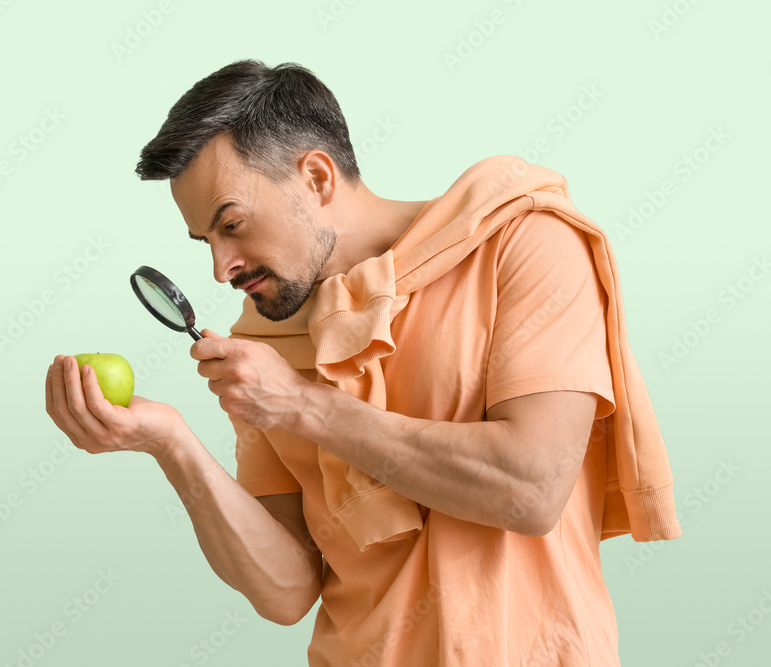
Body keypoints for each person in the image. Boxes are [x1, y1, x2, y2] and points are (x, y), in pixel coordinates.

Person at [45, 59, 680, 666]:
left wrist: (302, 405)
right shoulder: (263, 346)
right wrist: (174, 446)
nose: (221, 268)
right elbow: (287, 590)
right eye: (206, 242)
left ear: (317, 178)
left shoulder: (523, 241)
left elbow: (531, 488)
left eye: (232, 225)